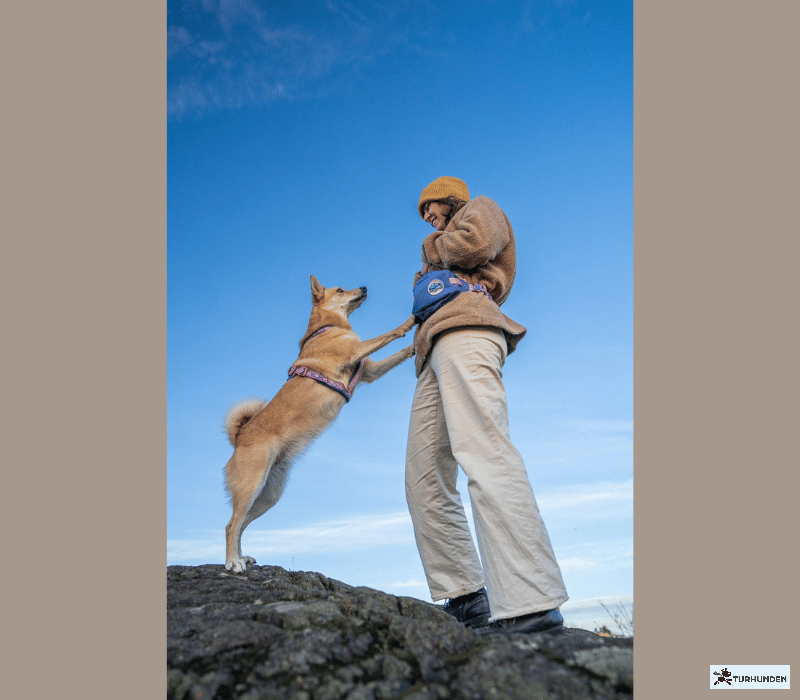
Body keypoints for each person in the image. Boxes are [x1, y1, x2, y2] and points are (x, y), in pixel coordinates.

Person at [405, 176, 568, 634]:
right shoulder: (438, 245)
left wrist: (432, 245)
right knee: (423, 478)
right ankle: (467, 598)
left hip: (469, 330)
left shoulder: (480, 209)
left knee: (484, 450)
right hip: (432, 351)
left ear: (449, 197)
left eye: (430, 207)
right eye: (424, 214)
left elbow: (471, 245)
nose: (428, 217)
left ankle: (531, 602)